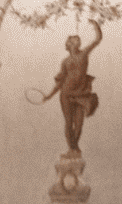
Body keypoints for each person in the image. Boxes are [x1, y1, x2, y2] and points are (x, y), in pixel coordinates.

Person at [39, 18, 102, 154]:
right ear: (70, 46)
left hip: (80, 93)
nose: (73, 44)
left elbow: (97, 40)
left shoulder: (84, 54)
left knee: (79, 123)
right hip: (66, 94)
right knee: (69, 122)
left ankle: (74, 147)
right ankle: (72, 149)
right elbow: (60, 83)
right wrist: (49, 96)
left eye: (74, 42)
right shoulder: (65, 62)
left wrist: (96, 26)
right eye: (71, 43)